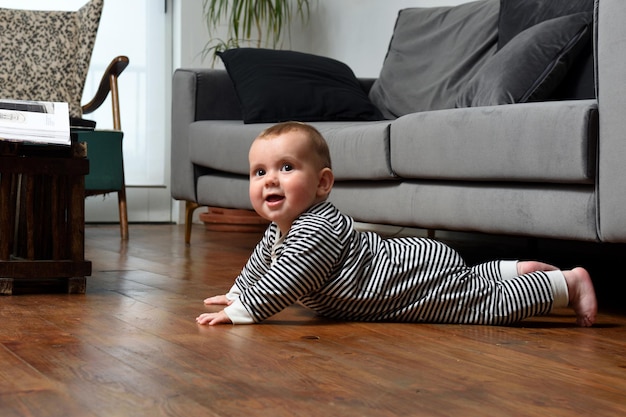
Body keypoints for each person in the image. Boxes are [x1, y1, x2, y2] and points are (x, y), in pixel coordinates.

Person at [196, 122, 597, 327]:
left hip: (403, 281)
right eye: (258, 171)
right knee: (465, 284)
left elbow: (287, 279)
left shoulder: (315, 230)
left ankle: (565, 285)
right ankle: (510, 270)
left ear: (322, 183)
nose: (269, 179)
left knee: (475, 305)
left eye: (286, 168)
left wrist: (245, 311)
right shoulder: (279, 229)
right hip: (411, 269)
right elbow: (262, 265)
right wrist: (238, 291)